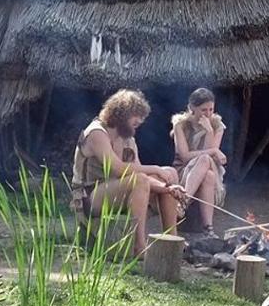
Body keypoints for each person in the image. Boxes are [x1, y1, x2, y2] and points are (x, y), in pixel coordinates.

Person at [70, 89, 186, 257]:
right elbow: (117, 168)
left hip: (116, 191)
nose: (139, 121)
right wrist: (154, 168)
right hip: (88, 197)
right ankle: (138, 247)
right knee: (141, 179)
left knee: (168, 174)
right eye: (136, 115)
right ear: (121, 114)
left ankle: (171, 243)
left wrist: (167, 187)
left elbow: (142, 175)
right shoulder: (96, 133)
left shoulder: (128, 139)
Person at [171, 87, 226, 234]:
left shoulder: (217, 125)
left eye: (211, 109)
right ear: (192, 108)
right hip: (184, 172)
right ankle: (206, 225)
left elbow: (211, 158)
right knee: (206, 167)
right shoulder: (180, 125)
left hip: (209, 169)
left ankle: (186, 205)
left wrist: (209, 132)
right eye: (203, 110)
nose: (208, 114)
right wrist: (213, 151)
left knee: (208, 171)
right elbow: (184, 156)